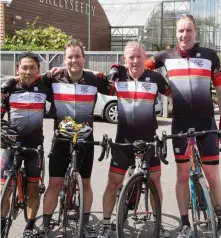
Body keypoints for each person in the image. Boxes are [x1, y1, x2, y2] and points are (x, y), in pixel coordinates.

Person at [143, 14, 221, 238]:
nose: (184, 35)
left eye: (188, 30)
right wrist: (120, 68)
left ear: (196, 32)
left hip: (207, 123)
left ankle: (219, 215)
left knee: (212, 175)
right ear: (175, 33)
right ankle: (185, 223)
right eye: (180, 31)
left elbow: (220, 87)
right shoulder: (166, 56)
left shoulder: (210, 56)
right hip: (180, 123)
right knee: (182, 175)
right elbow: (139, 65)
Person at [36, 38, 112, 238]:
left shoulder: (94, 79)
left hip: (86, 139)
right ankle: (45, 224)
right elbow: (29, 79)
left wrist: (117, 69)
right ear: (64, 59)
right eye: (70, 57)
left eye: (78, 56)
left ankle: (85, 223)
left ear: (84, 59)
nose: (74, 60)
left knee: (85, 184)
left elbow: (117, 84)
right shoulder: (53, 78)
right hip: (61, 139)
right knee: (54, 183)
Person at [96, 41, 171, 238]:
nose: (135, 60)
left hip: (149, 138)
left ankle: (158, 222)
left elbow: (178, 94)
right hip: (124, 138)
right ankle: (105, 224)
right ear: (124, 59)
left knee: (155, 181)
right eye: (131, 57)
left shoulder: (155, 78)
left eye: (139, 56)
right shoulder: (118, 77)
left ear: (145, 59)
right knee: (113, 183)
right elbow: (86, 77)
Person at [1, 52, 49, 238]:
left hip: (34, 148)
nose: (28, 71)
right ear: (18, 69)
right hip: (11, 146)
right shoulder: (8, 89)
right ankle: (2, 222)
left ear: (38, 70)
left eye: (32, 68)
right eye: (24, 67)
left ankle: (29, 226)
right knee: (4, 189)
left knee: (33, 188)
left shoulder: (44, 88)